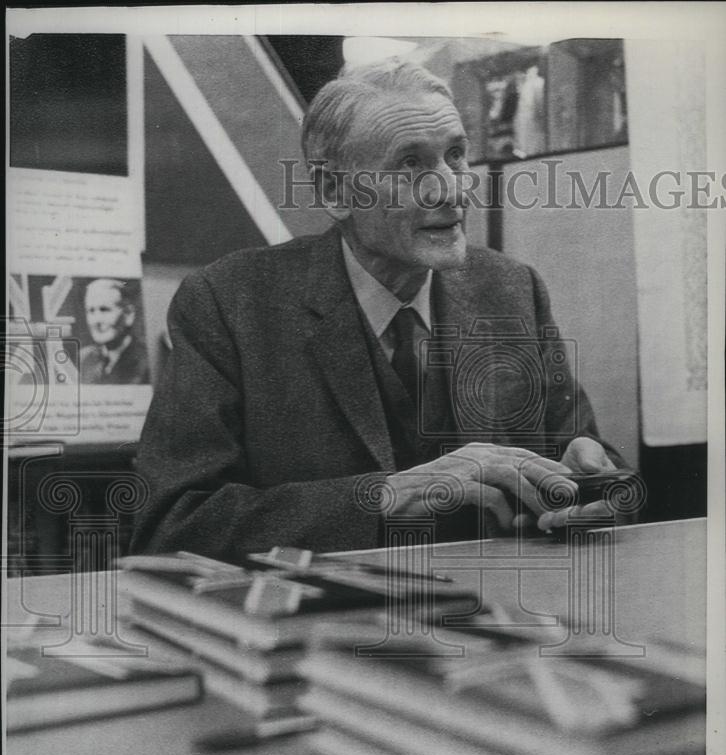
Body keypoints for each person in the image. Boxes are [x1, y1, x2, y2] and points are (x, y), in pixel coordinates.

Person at [132, 60, 621, 562]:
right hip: (317, 629)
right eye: (410, 164)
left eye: (455, 155)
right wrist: (387, 496)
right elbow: (172, 524)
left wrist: (589, 484)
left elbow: (591, 459)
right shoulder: (229, 304)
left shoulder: (511, 289)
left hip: (495, 617)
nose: (449, 188)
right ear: (334, 192)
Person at [80, 279, 149, 385]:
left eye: (104, 310)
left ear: (128, 314)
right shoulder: (85, 359)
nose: (96, 321)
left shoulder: (145, 361)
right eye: (91, 311)